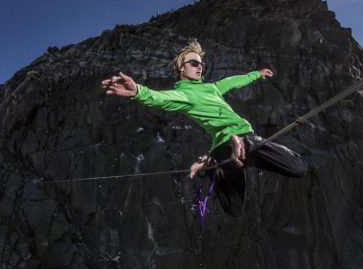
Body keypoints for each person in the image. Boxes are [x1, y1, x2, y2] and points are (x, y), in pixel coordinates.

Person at [100, 39, 307, 216]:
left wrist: (256, 74)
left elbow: (232, 81)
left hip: (222, 151)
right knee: (299, 167)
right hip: (241, 139)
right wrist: (137, 91)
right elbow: (161, 98)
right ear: (182, 68)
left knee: (233, 208)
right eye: (194, 63)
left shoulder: (212, 88)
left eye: (201, 64)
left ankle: (216, 164)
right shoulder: (185, 95)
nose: (199, 67)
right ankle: (237, 142)